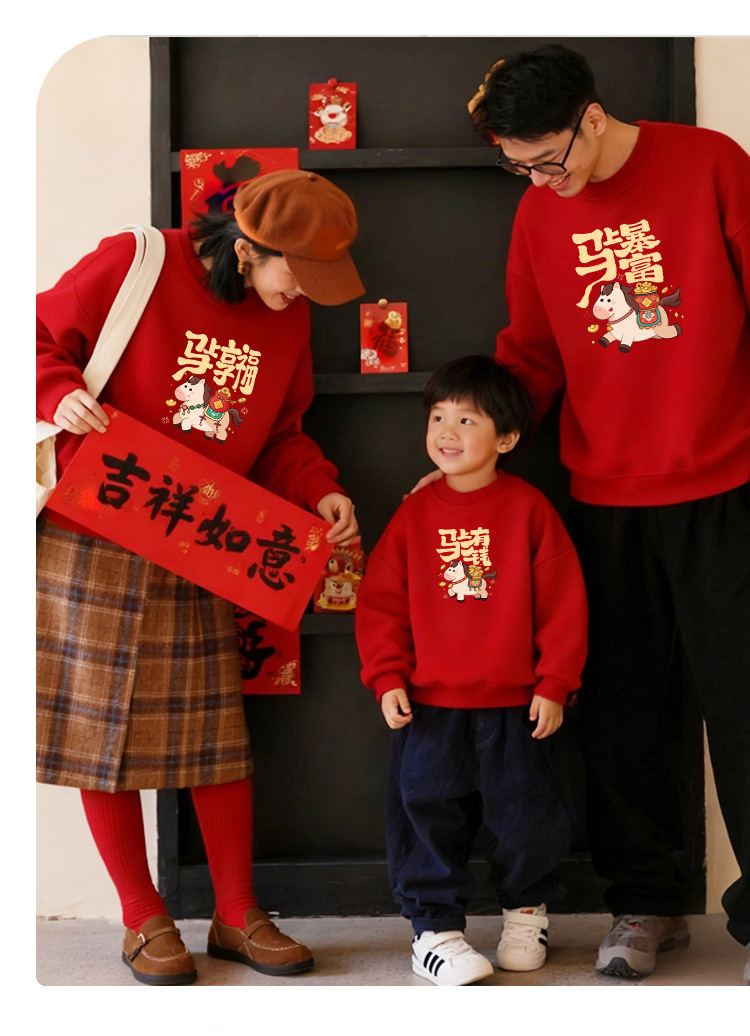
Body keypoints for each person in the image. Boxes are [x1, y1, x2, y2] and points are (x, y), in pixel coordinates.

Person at [37, 169, 363, 985]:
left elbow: (281, 432)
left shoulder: (287, 318)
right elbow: (29, 335)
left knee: (215, 733)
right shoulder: (137, 260)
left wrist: (318, 487)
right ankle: (141, 916)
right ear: (249, 248)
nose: (304, 293)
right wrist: (56, 391)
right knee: (99, 735)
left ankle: (235, 913)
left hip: (200, 533)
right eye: (297, 272)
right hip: (95, 520)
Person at [466, 44, 750, 982]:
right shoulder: (537, 210)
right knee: (627, 714)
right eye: (519, 168)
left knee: (745, 703)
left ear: (592, 117)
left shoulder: (711, 164)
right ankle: (646, 900)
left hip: (729, 481)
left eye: (549, 160)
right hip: (605, 493)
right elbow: (531, 351)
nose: (540, 182)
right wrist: (477, 447)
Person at [355, 355, 588, 986]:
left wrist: (554, 683)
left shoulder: (529, 510)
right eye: (438, 417)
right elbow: (381, 604)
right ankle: (433, 931)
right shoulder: (413, 514)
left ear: (506, 439)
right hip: (430, 707)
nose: (447, 432)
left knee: (528, 815)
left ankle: (526, 913)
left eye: (466, 419)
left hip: (517, 706)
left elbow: (564, 606)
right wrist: (387, 676)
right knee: (428, 816)